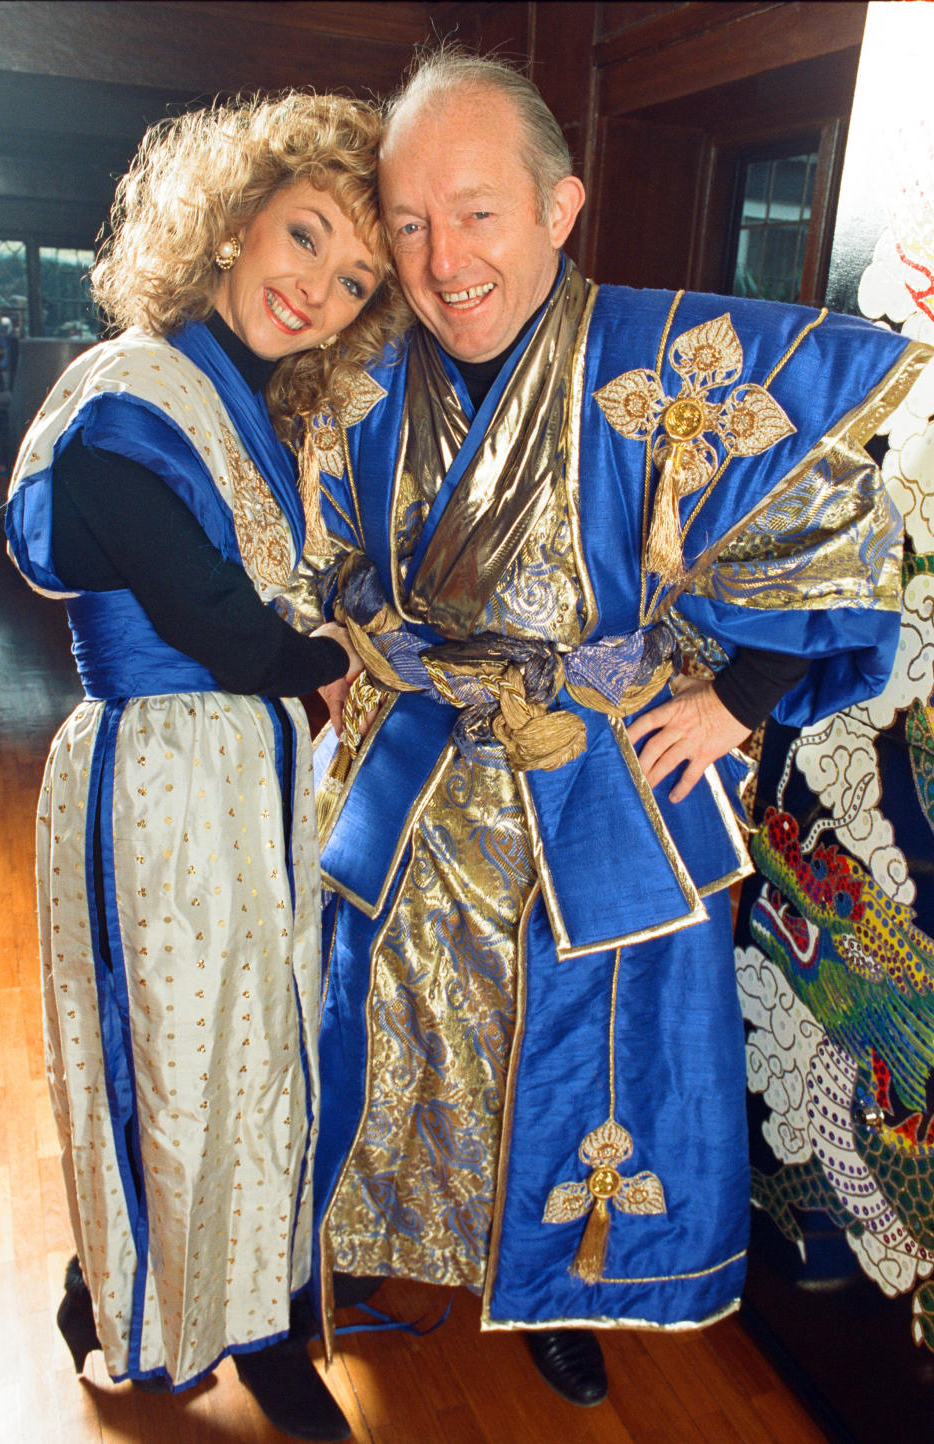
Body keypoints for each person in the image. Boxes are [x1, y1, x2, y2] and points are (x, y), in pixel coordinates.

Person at [284, 48, 934, 1411]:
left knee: (579, 1061)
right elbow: (307, 555)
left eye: (477, 212)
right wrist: (326, 658)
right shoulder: (357, 383)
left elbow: (837, 518)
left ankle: (561, 1294)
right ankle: (414, 1256)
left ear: (559, 210)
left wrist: (737, 696)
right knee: (414, 1044)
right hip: (417, 781)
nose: (442, 257)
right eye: (407, 221)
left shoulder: (667, 354)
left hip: (597, 787)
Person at [5, 91, 407, 1440]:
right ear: (233, 220)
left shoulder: (236, 403)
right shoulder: (138, 385)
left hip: (238, 777)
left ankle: (217, 1301)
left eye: (355, 280)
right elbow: (206, 614)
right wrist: (319, 662)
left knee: (249, 1052)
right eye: (306, 238)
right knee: (176, 1054)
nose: (321, 289)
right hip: (162, 777)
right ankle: (168, 1305)